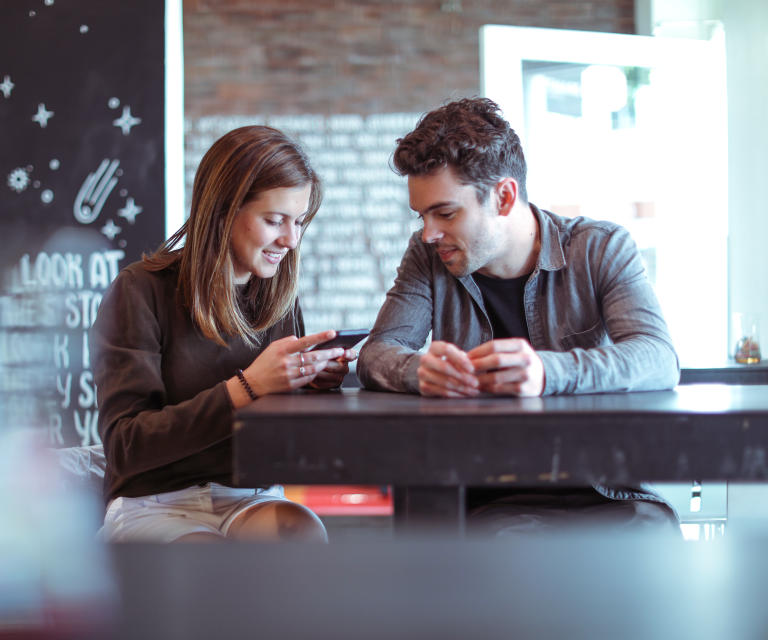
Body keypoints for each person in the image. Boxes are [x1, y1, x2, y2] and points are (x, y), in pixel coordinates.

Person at [357, 97, 681, 535]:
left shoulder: (600, 248)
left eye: (445, 213)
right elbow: (376, 354)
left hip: (614, 493)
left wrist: (547, 372)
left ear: (504, 197)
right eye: (422, 216)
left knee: (652, 551)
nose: (429, 233)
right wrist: (419, 372)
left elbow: (658, 357)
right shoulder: (427, 256)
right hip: (493, 497)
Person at [92, 126, 355, 543]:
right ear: (224, 210)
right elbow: (126, 447)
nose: (291, 239)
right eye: (274, 220)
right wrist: (247, 387)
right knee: (209, 565)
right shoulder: (140, 290)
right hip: (155, 501)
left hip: (251, 495)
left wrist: (308, 386)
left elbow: (284, 441)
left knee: (302, 534)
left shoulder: (279, 296)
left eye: (299, 221)